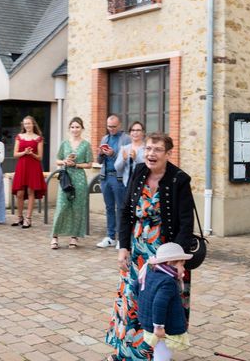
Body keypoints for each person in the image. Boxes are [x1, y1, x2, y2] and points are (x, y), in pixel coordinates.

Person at [105, 133, 194, 361]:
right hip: (137, 251)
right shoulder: (139, 172)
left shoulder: (179, 180)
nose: (151, 154)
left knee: (161, 304)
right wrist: (123, 246)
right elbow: (125, 212)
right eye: (148, 148)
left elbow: (186, 223)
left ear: (168, 153)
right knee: (131, 300)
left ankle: (157, 356)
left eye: (157, 149)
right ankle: (126, 354)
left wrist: (177, 260)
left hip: (165, 254)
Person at [135, 242, 192, 361]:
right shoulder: (168, 282)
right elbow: (159, 304)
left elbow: (136, 287)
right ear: (170, 263)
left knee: (159, 351)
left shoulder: (150, 273)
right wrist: (159, 327)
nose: (184, 268)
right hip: (164, 327)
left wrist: (145, 306)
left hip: (149, 322)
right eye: (182, 264)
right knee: (163, 355)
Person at [50, 117, 92, 249]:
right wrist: (64, 162)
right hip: (66, 177)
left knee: (77, 208)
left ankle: (74, 237)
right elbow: (57, 160)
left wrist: (77, 164)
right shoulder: (64, 144)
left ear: (82, 129)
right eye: (73, 127)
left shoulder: (86, 145)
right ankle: (54, 236)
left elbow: (90, 164)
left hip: (79, 179)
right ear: (69, 129)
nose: (75, 129)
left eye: (77, 127)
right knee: (62, 206)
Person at [96, 114, 131, 248]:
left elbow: (127, 160)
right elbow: (99, 161)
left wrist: (113, 154)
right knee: (109, 207)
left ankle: (122, 238)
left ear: (120, 125)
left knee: (121, 208)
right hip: (105, 177)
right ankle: (110, 237)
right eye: (109, 126)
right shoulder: (105, 138)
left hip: (118, 178)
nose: (111, 129)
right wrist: (100, 154)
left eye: (114, 127)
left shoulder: (126, 139)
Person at [11, 116, 47, 229]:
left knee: (31, 192)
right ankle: (19, 217)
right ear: (23, 125)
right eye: (25, 124)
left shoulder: (38, 138)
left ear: (33, 124)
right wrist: (24, 152)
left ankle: (28, 218)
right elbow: (15, 154)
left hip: (33, 167)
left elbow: (40, 157)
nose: (27, 125)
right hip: (22, 167)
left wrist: (31, 154)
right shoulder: (19, 137)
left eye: (29, 123)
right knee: (20, 193)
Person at [114, 121, 146, 189]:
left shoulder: (146, 148)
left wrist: (136, 158)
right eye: (133, 130)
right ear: (130, 133)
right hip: (127, 184)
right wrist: (123, 159)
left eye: (138, 130)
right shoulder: (125, 148)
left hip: (142, 184)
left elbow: (147, 167)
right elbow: (117, 168)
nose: (135, 132)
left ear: (143, 133)